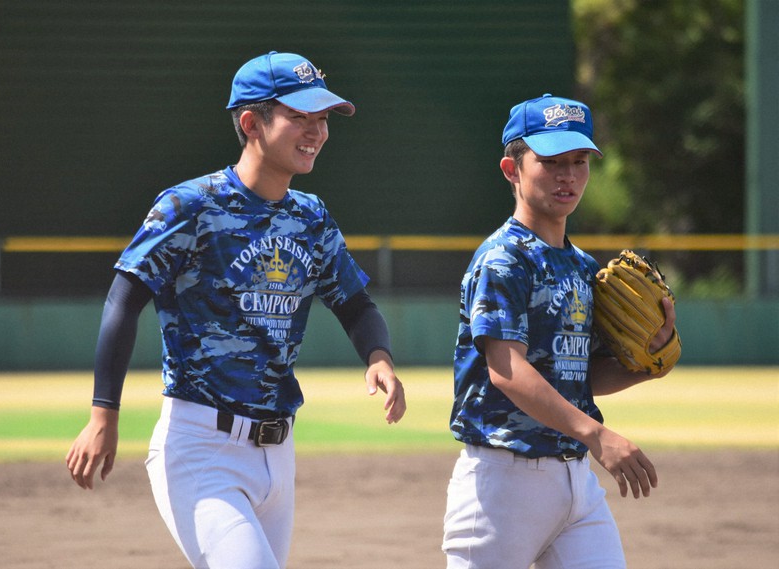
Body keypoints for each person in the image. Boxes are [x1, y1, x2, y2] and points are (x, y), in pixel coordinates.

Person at [66, 51, 406, 569]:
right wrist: (102, 413)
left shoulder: (310, 216)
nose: (316, 131)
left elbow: (355, 303)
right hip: (202, 449)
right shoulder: (190, 206)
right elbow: (123, 299)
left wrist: (377, 356)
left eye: (322, 119)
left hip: (279, 453)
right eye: (299, 117)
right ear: (252, 122)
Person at [442, 93, 677, 568]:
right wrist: (598, 436)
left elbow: (579, 377)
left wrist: (646, 364)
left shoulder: (581, 266)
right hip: (503, 481)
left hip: (575, 481)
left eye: (579, 161)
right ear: (512, 169)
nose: (568, 175)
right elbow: (507, 371)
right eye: (551, 162)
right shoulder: (504, 259)